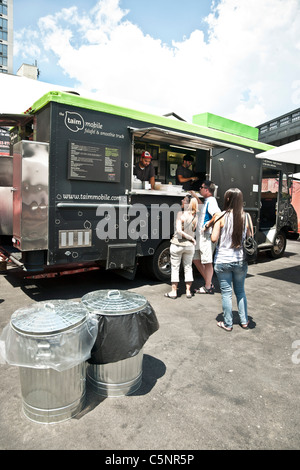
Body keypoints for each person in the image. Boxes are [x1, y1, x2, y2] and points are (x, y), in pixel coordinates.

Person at [211, 188, 253, 332]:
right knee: (240, 291)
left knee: (226, 293)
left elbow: (214, 238)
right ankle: (244, 320)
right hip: (240, 260)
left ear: (227, 199)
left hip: (223, 260)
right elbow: (250, 238)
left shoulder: (220, 216)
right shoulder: (246, 217)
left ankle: (228, 323)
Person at [164, 194, 198, 299]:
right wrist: (192, 239)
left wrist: (190, 238)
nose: (182, 201)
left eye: (183, 200)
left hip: (177, 244)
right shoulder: (195, 216)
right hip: (189, 246)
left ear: (187, 203)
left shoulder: (180, 214)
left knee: (175, 268)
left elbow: (179, 231)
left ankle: (174, 292)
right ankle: (188, 291)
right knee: (188, 268)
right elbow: (195, 231)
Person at [193, 180, 220, 294]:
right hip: (201, 237)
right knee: (196, 259)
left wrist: (207, 225)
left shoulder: (212, 201)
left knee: (207, 262)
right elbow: (202, 208)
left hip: (206, 236)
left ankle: (208, 286)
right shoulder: (207, 200)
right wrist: (195, 196)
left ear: (207, 190)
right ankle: (208, 283)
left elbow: (217, 214)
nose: (200, 189)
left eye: (201, 187)